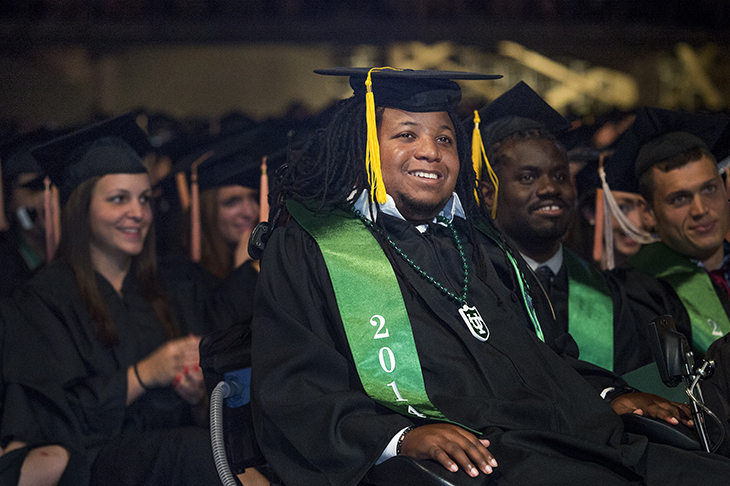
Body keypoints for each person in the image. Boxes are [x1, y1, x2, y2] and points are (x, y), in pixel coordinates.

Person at [250, 67, 730, 486]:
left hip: (556, 436)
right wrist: (400, 437)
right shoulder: (315, 248)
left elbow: (539, 352)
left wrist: (608, 394)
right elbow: (297, 389)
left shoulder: (474, 244)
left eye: (444, 138)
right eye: (406, 135)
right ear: (365, 150)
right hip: (486, 463)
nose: (431, 152)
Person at [0, 114, 267, 486]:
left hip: (170, 444)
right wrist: (144, 375)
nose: (138, 213)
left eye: (143, 198)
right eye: (118, 199)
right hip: (97, 461)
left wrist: (193, 384)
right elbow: (50, 420)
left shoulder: (170, 284)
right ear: (81, 207)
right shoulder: (41, 300)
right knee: (194, 453)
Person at [476, 81, 659, 376]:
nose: (550, 188)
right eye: (527, 178)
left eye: (560, 175)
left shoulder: (608, 294)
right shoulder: (473, 289)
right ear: (488, 194)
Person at [625, 107, 730, 355]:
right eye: (680, 199)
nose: (700, 209)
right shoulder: (638, 294)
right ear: (648, 212)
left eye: (709, 189)